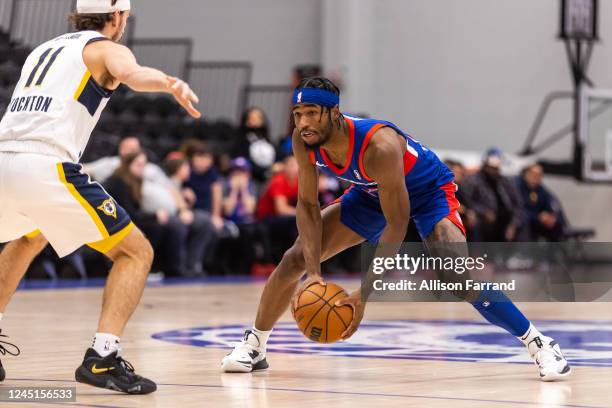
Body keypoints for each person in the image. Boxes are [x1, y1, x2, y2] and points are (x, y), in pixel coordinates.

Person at [221, 77, 570, 381]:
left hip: (428, 193)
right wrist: (314, 274)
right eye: (298, 115)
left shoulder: (379, 145)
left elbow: (397, 222)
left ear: (334, 113)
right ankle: (255, 344)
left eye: (312, 112)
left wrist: (363, 294)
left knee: (457, 276)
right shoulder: (303, 141)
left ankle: (539, 343)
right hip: (372, 193)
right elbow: (308, 206)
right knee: (294, 259)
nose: (304, 122)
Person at [0, 0, 200, 394]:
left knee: (28, 237)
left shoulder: (43, 48)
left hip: (3, 159)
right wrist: (168, 82)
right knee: (135, 252)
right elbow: (132, 74)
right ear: (119, 17)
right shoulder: (106, 47)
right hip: (45, 164)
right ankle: (102, 357)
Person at [462, 149, 525, 242]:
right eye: (490, 167)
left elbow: (517, 204)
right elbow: (467, 202)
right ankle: (478, 255)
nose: (493, 171)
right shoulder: (473, 181)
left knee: (524, 221)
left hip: (506, 218)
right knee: (478, 224)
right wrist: (483, 212)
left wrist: (513, 224)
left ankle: (523, 255)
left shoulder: (505, 182)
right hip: (484, 218)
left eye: (495, 168)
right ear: (485, 165)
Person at [83, 135, 168, 184]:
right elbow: (86, 169)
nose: (134, 153)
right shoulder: (111, 163)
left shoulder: (152, 169)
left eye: (136, 149)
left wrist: (182, 208)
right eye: (130, 149)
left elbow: (170, 188)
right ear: (121, 150)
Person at [517, 163, 566, 242]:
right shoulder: (517, 187)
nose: (537, 178)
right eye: (534, 175)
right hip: (524, 223)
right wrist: (538, 217)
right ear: (526, 174)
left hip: (539, 223)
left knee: (556, 226)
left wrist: (552, 218)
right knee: (524, 223)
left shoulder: (541, 190)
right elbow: (518, 211)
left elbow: (553, 205)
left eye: (540, 175)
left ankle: (555, 252)